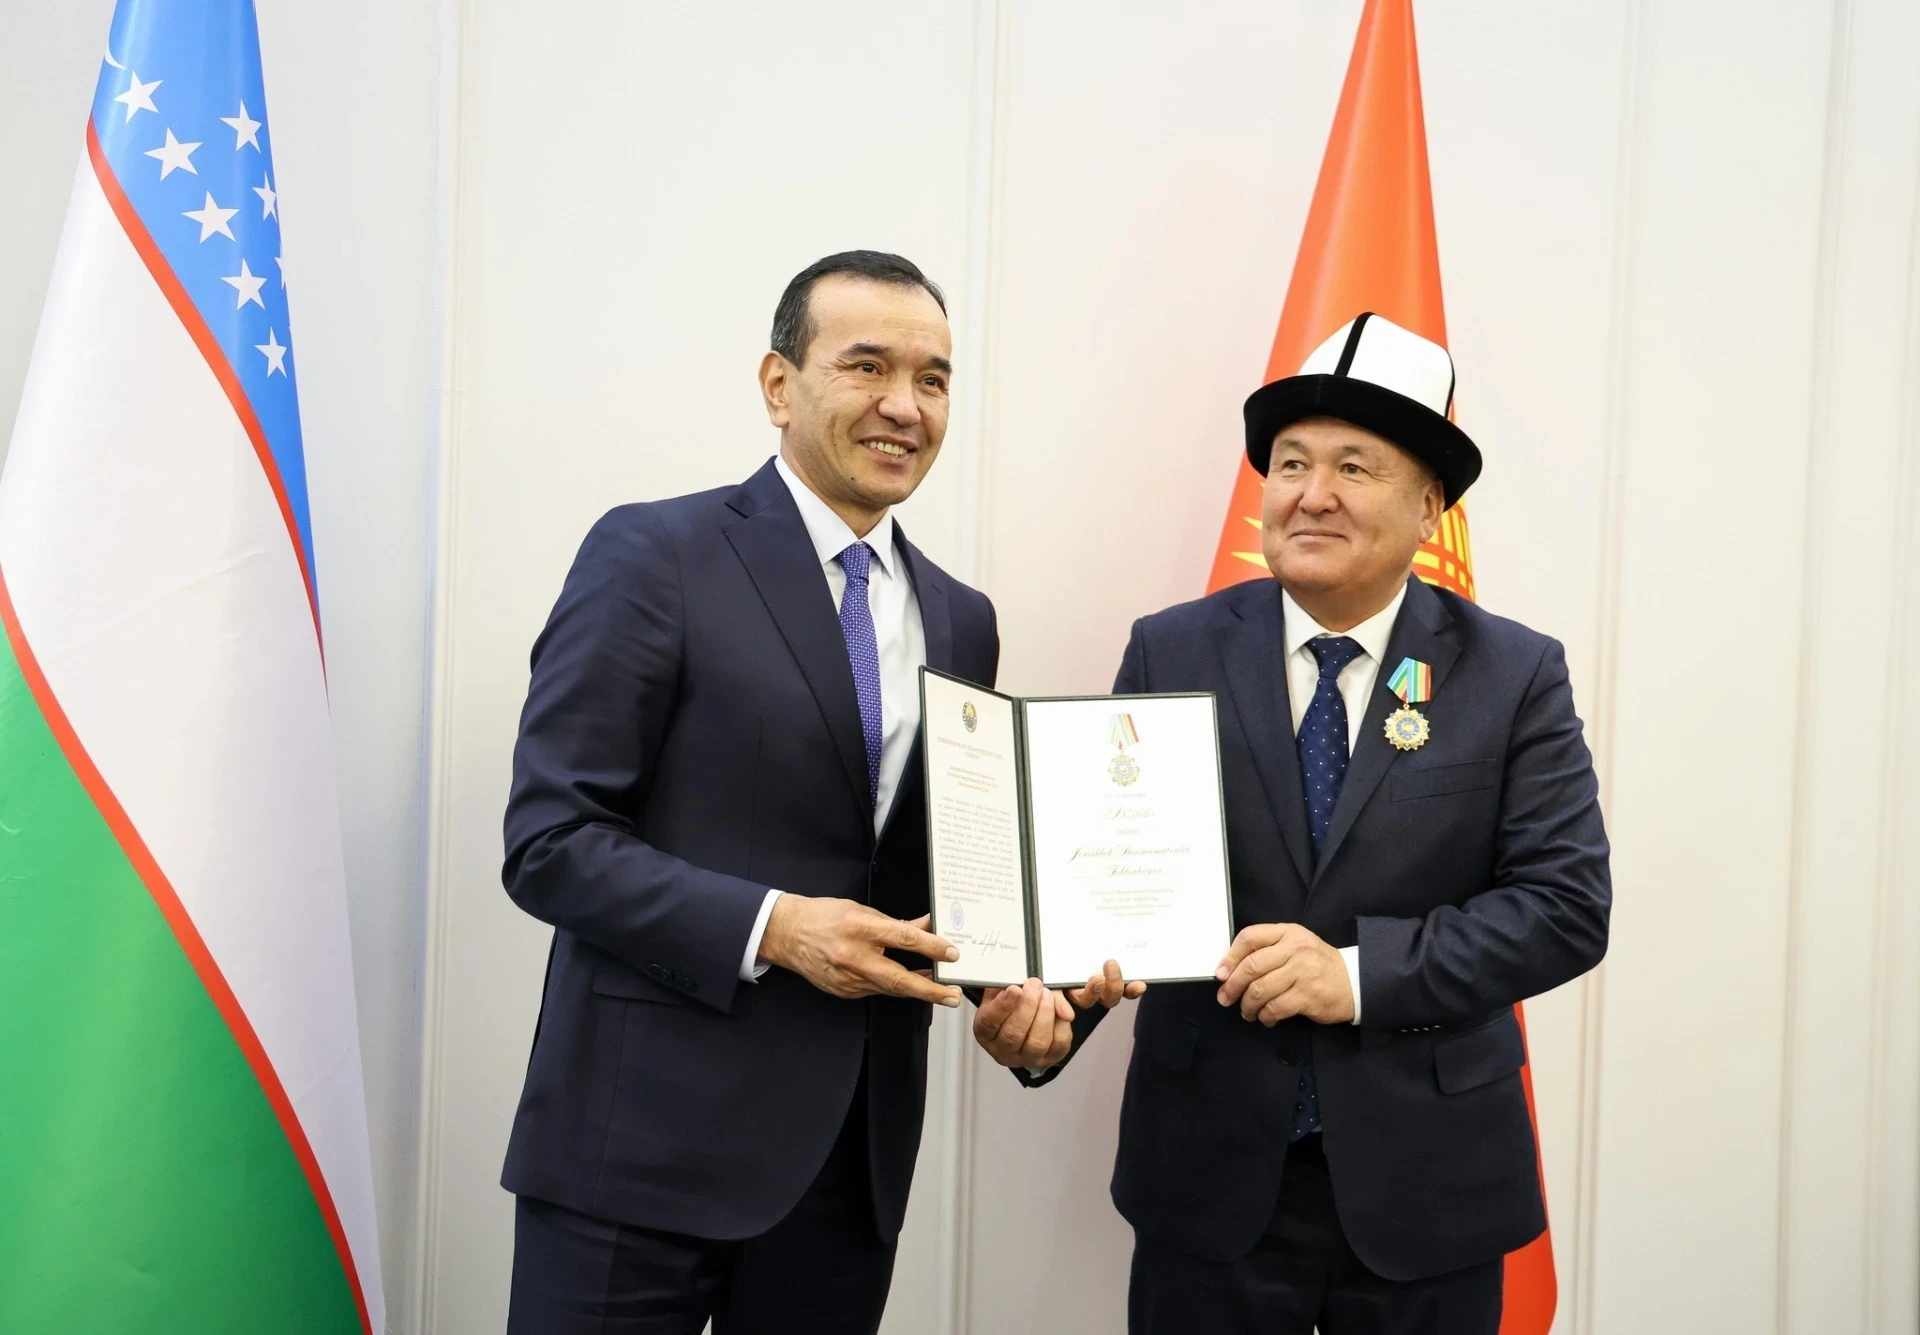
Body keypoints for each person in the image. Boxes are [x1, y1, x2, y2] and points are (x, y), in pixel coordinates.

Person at [973, 313, 1611, 1335]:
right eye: (1291, 463)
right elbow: (1113, 871)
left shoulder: (1514, 672)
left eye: (1354, 467)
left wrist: (1352, 976)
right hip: (1210, 1178)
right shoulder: (1171, 648)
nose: (1312, 493)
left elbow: (1564, 908)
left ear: (1430, 506)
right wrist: (1045, 1018)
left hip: (1429, 1184)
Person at [499, 251, 1001, 1334]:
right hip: (637, 1157)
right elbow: (550, 840)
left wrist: (1028, 990)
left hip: (845, 1173)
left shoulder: (964, 619)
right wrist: (775, 927)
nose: (905, 406)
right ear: (779, 384)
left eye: (934, 378)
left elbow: (943, 879)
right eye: (867, 366)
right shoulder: (654, 553)